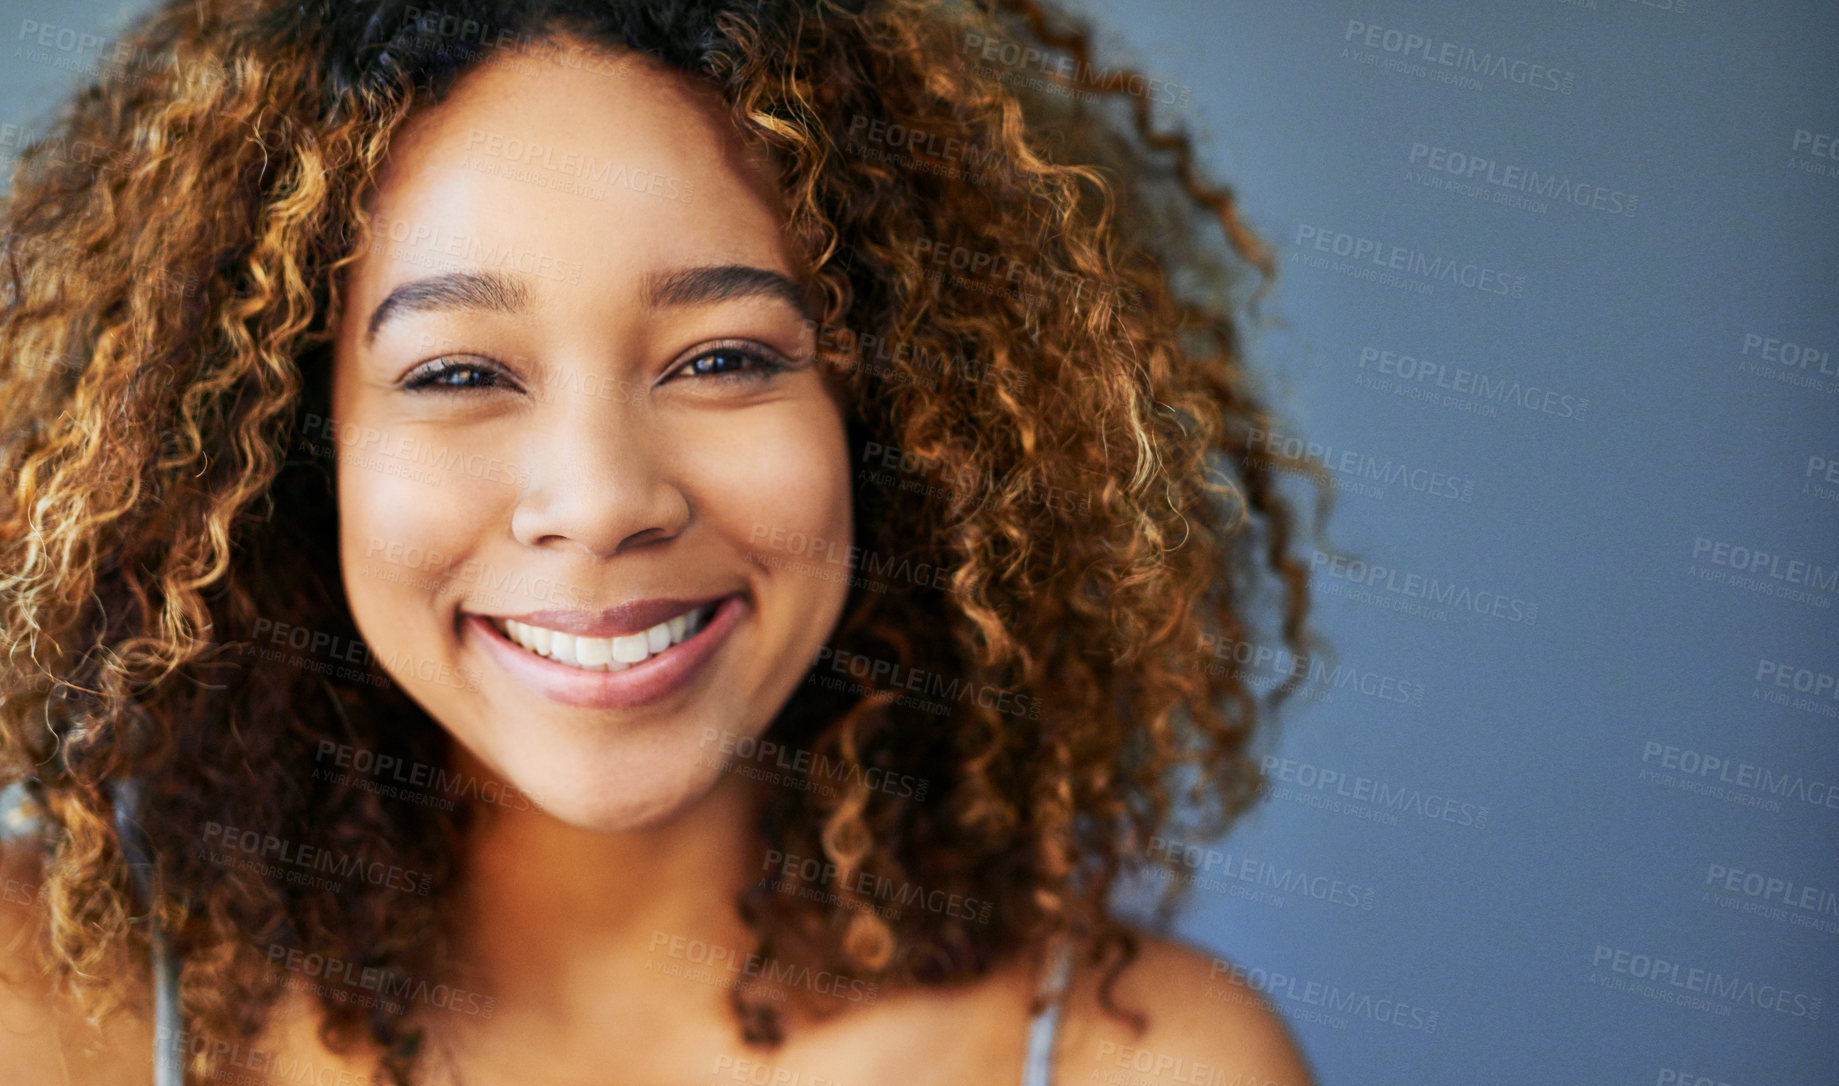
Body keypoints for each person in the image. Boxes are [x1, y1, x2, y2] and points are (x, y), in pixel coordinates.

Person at [0, 0, 1320, 1082]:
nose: (603, 495)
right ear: (294, 438)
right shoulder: (43, 1013)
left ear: (906, 417)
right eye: (459, 372)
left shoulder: (1141, 1061)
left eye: (725, 357)